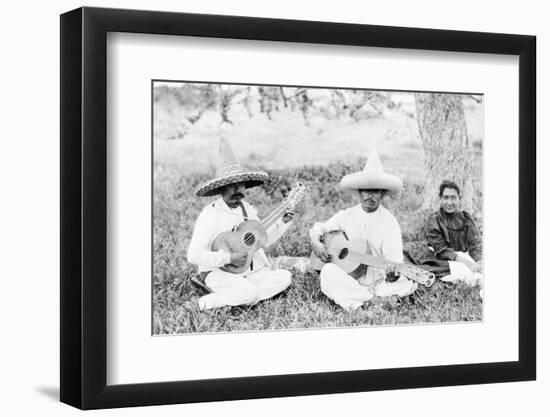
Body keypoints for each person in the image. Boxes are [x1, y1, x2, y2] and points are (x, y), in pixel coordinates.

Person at [186, 137, 293, 310]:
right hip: (217, 272)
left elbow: (260, 240)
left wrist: (282, 222)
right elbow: (193, 255)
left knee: (284, 277)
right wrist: (228, 258)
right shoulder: (210, 215)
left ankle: (239, 296)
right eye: (231, 185)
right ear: (221, 188)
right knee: (250, 292)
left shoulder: (248, 209)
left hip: (246, 272)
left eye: (241, 185)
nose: (238, 190)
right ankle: (202, 303)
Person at [309, 151, 417, 310]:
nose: (370, 196)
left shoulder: (389, 222)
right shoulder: (347, 215)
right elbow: (321, 227)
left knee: (404, 284)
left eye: (375, 191)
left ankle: (357, 299)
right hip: (351, 276)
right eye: (366, 190)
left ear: (382, 194)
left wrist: (393, 275)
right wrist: (315, 241)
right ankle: (372, 300)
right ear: (359, 192)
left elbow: (394, 261)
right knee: (328, 272)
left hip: (379, 280)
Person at [425, 180, 482, 285]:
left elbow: (474, 246)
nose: (449, 203)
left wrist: (479, 262)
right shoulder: (435, 219)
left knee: (481, 270)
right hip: (443, 259)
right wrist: (469, 264)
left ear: (459, 198)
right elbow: (442, 251)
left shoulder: (466, 218)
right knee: (464, 272)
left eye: (453, 197)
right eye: (446, 197)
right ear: (440, 198)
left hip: (464, 256)